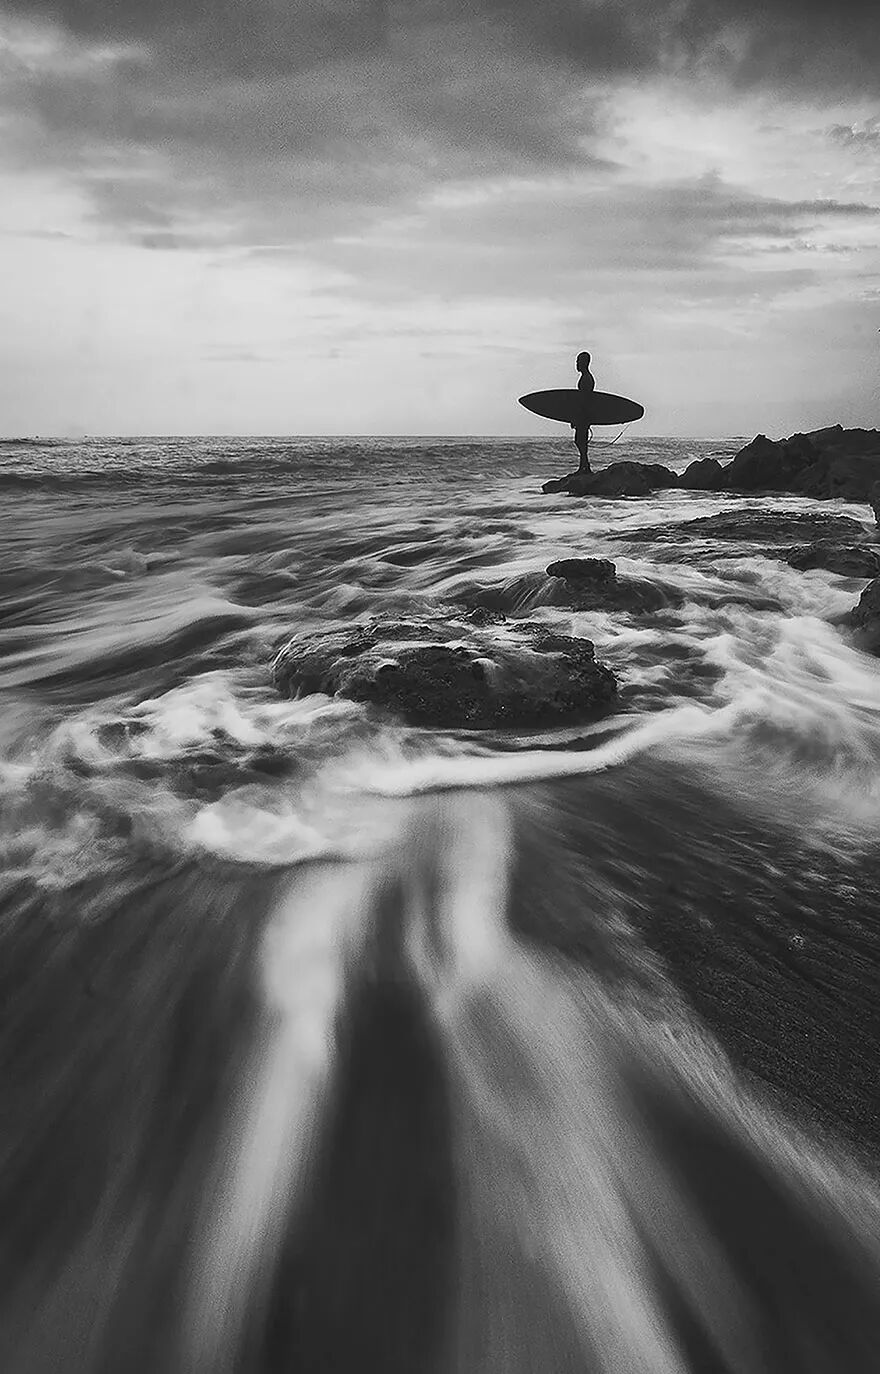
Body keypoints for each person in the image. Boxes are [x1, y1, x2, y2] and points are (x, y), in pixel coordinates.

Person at [572, 350, 595, 473]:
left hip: (584, 415)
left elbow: (584, 400)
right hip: (584, 415)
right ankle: (584, 466)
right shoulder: (586, 377)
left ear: (584, 363)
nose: (576, 364)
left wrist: (577, 417)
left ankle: (585, 467)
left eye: (578, 361)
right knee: (581, 441)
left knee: (581, 441)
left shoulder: (586, 379)